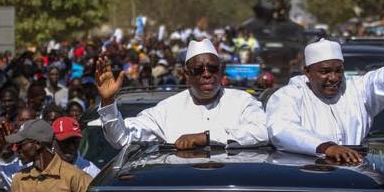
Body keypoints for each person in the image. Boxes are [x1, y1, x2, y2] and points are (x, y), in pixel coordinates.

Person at [266, 0, 384, 164]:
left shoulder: (357, 90)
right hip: (309, 182)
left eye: (338, 70)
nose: (333, 78)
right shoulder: (289, 95)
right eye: (324, 71)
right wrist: (327, 147)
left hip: (353, 180)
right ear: (308, 72)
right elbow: (282, 129)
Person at [95, 39, 268, 150]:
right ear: (187, 74)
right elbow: (121, 139)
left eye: (213, 68)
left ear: (221, 71)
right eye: (198, 70)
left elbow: (263, 132)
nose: (207, 74)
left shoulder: (242, 102)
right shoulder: (166, 110)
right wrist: (108, 100)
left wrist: (206, 137)